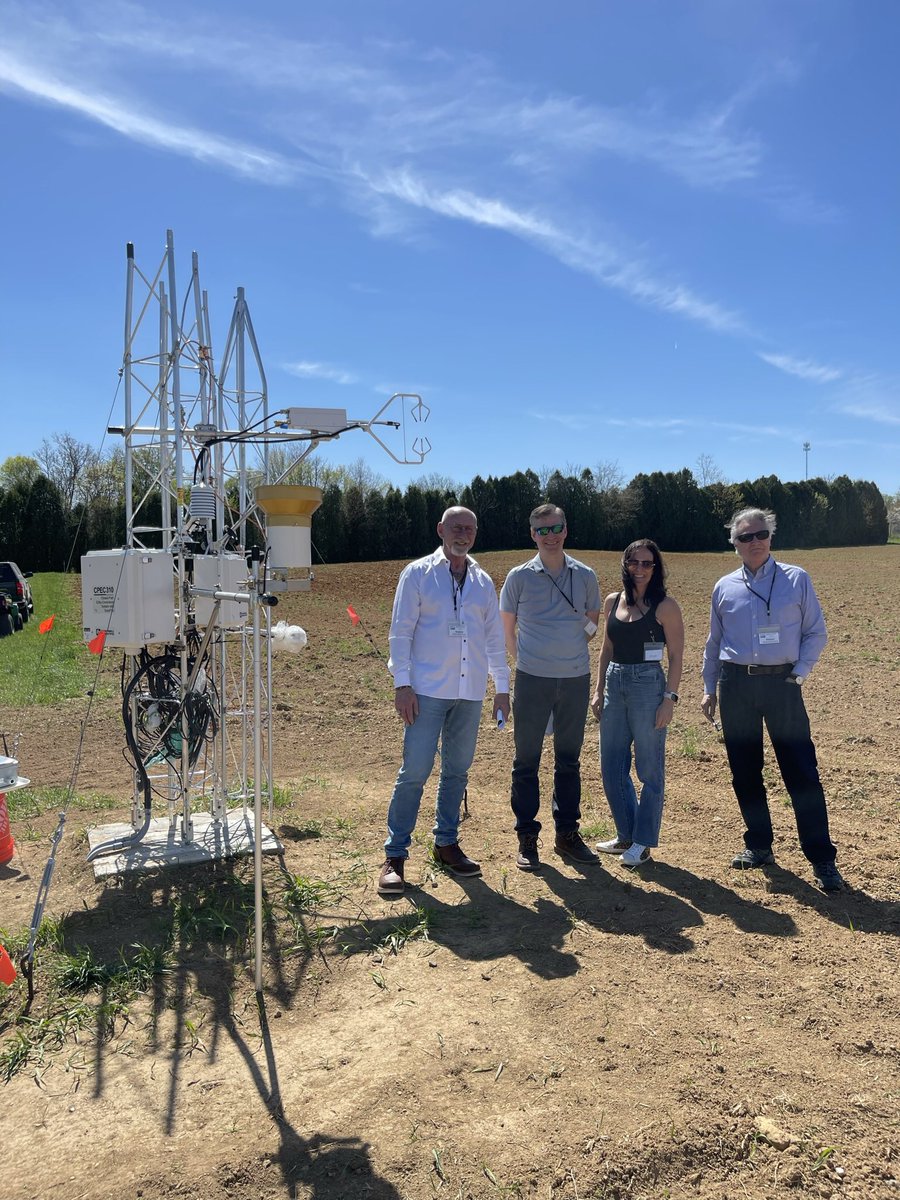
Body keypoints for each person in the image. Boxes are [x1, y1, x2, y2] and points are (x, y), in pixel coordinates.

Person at [701, 507, 842, 892]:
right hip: (736, 685)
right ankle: (759, 845)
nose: (754, 542)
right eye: (745, 537)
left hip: (783, 685)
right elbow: (714, 644)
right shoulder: (724, 586)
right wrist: (708, 687)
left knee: (801, 772)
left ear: (771, 536)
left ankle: (822, 859)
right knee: (745, 772)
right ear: (735, 544)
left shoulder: (797, 579)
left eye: (760, 534)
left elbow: (816, 632)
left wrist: (799, 674)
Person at [378, 506, 511, 895]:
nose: (463, 533)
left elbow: (493, 640)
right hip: (425, 691)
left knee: (457, 771)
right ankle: (395, 854)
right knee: (415, 772)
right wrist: (402, 685)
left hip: (468, 693)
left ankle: (446, 843)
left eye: (470, 528)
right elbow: (400, 632)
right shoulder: (418, 574)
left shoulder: (484, 581)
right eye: (456, 526)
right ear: (440, 529)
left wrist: (501, 688)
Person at [500, 504, 601, 870]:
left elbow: (591, 625)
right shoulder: (519, 577)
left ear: (566, 528)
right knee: (526, 761)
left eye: (556, 527)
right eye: (543, 530)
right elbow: (507, 630)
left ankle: (567, 834)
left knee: (569, 761)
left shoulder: (586, 575)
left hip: (575, 679)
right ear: (532, 534)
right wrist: (530, 660)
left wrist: (564, 656)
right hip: (532, 680)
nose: (550, 535)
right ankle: (527, 838)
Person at [591, 540, 684, 867]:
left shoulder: (665, 606)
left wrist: (669, 699)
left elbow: (675, 656)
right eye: (634, 562)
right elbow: (606, 648)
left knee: (649, 770)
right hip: (615, 684)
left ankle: (643, 843)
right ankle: (626, 835)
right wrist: (599, 688)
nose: (640, 569)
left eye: (647, 564)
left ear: (656, 568)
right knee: (612, 767)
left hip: (648, 686)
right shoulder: (612, 601)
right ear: (625, 565)